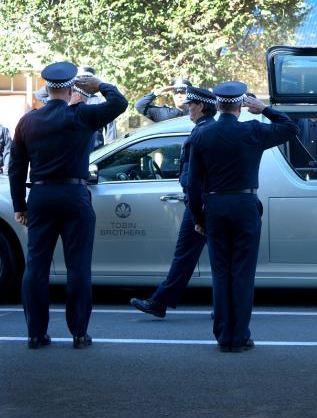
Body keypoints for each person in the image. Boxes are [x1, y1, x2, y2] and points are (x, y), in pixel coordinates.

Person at [8, 61, 128, 349]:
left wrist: (19, 204)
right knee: (78, 267)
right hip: (74, 197)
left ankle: (36, 334)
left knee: (36, 266)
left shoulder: (28, 121)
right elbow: (120, 103)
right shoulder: (82, 116)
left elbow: (16, 167)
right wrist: (99, 85)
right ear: (71, 87)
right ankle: (79, 333)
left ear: (47, 89)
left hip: (41, 196)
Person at [188, 81, 298, 352]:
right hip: (246, 204)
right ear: (241, 105)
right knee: (243, 273)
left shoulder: (203, 134)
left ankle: (223, 334)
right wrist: (264, 108)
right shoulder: (252, 130)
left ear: (217, 104)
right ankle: (240, 336)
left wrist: (197, 216)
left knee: (221, 272)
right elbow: (290, 128)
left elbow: (193, 183)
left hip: (215, 205)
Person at [130, 86, 218, 318]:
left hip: (200, 204)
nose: (187, 108)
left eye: (191, 105)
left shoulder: (199, 133)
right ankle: (161, 301)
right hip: (211, 201)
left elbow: (192, 178)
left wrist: (196, 211)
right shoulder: (212, 130)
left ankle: (162, 301)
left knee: (191, 255)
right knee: (202, 256)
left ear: (200, 107)